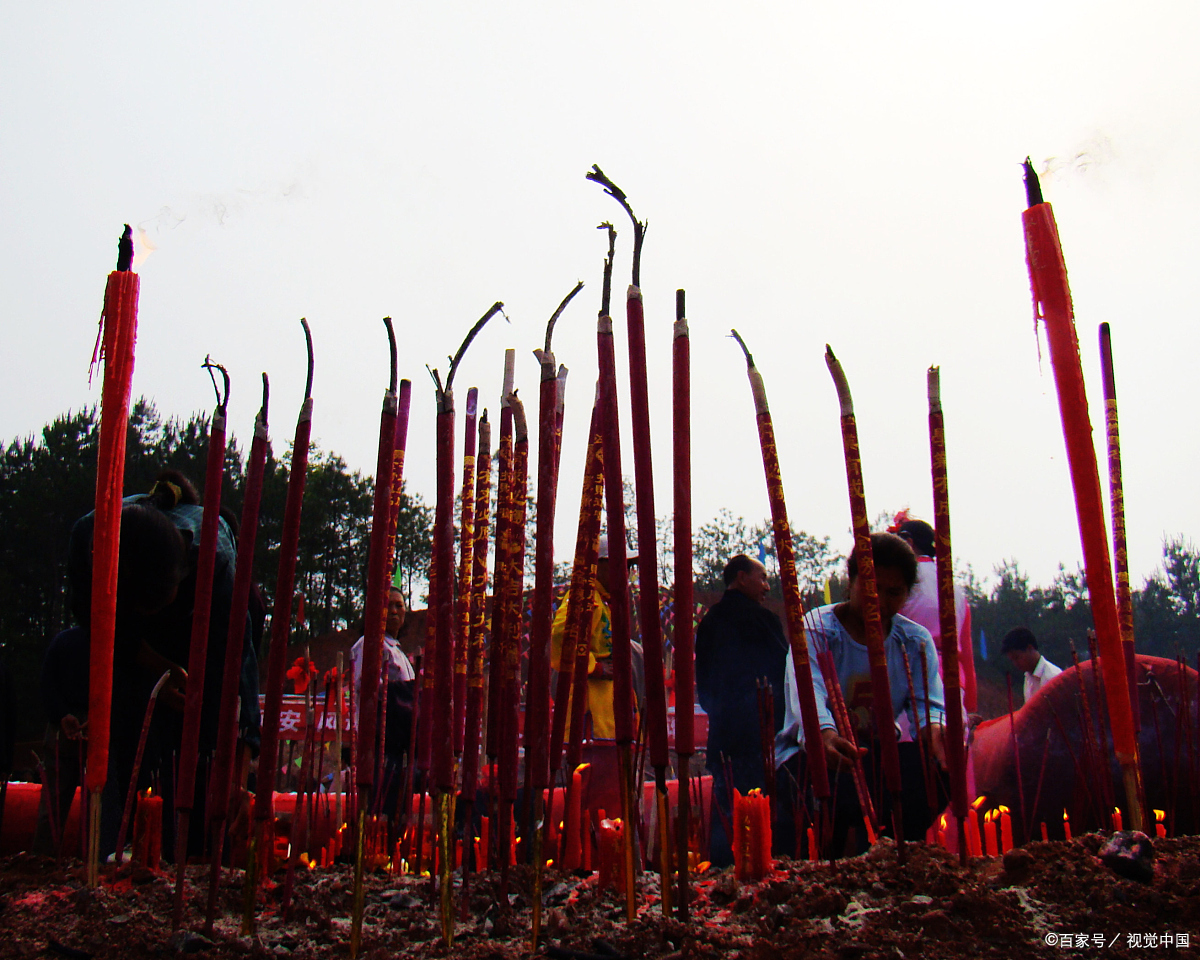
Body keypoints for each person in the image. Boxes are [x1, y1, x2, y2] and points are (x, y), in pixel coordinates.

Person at [776, 532, 946, 855]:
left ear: (907, 594)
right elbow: (807, 693)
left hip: (873, 760)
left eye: (893, 592)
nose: (878, 601)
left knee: (934, 772)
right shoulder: (817, 628)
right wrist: (824, 734)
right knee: (823, 787)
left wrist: (937, 734)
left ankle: (898, 855)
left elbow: (929, 707)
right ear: (851, 580)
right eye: (870, 588)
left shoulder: (914, 642)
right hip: (811, 758)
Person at [694, 554, 788, 867]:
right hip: (763, 737)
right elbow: (784, 674)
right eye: (761, 577)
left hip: (725, 737)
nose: (766, 585)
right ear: (741, 577)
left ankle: (723, 872)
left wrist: (721, 711)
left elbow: (703, 683)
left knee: (727, 811)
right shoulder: (764, 620)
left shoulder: (709, 621)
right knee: (766, 813)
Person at [549, 536, 644, 740]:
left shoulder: (603, 602)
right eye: (621, 565)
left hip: (605, 719)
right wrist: (594, 668)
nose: (626, 573)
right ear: (599, 565)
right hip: (588, 721)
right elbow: (560, 641)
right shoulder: (586, 597)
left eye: (629, 567)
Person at [892, 514, 977, 713]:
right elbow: (967, 655)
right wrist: (971, 705)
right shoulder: (956, 590)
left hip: (910, 678)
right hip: (953, 681)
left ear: (909, 542)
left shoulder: (901, 582)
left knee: (913, 742)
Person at [350, 586, 415, 814]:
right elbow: (368, 689)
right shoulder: (368, 644)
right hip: (376, 741)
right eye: (389, 605)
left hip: (397, 744)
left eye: (400, 605)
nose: (395, 611)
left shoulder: (401, 654)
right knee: (376, 808)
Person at [1002, 626, 1062, 704]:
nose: (1015, 664)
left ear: (1030, 648)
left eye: (1016, 658)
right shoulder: (1028, 677)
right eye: (1012, 660)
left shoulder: (1052, 678)